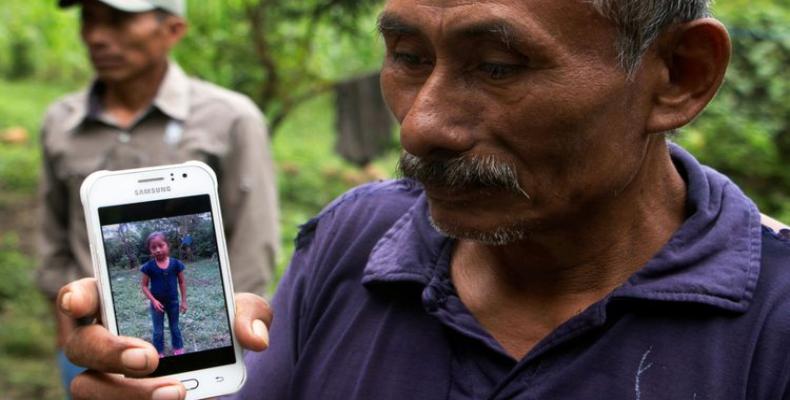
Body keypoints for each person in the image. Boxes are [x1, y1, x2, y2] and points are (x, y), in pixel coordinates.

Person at [58, 0, 790, 399]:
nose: (421, 124)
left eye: (498, 66)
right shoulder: (357, 238)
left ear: (679, 75)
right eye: (407, 57)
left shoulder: (772, 324)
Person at [35, 0, 279, 396]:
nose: (96, 36)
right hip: (91, 353)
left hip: (211, 373)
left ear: (173, 30)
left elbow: (254, 243)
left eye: (118, 21)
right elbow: (53, 234)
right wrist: (67, 333)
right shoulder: (60, 122)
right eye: (89, 19)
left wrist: (232, 346)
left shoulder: (231, 118)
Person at [140, 232, 187, 358]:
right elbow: (144, 286)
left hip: (173, 303)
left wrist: (184, 301)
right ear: (150, 250)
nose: (158, 250)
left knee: (174, 327)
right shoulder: (148, 267)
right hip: (157, 305)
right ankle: (158, 352)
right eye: (153, 247)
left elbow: (182, 282)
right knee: (158, 331)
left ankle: (178, 348)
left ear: (168, 246)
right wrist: (154, 301)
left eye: (161, 245)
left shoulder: (176, 264)